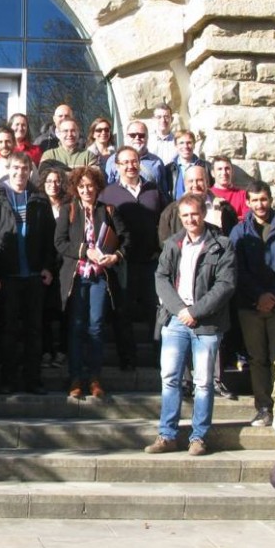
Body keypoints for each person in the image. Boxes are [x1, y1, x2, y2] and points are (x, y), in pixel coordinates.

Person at [145, 193, 236, 456]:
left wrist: (195, 311)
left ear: (203, 214)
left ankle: (198, 437)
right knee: (170, 379)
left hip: (207, 324)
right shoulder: (173, 244)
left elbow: (225, 285)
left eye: (194, 214)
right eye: (185, 215)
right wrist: (180, 310)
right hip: (175, 320)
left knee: (204, 382)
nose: (190, 219)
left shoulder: (222, 245)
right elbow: (161, 277)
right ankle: (167, 435)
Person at [229, 180, 275, 438]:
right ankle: (263, 407)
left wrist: (272, 295)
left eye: (264, 199)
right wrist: (258, 296)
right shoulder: (239, 232)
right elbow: (238, 269)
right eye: (255, 200)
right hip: (250, 304)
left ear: (270, 200)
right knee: (257, 358)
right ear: (247, 202)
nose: (260, 204)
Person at [0, 152, 55, 395]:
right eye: (15, 168)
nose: (20, 173)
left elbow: (49, 237)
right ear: (8, 169)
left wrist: (47, 266)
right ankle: (8, 380)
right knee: (9, 330)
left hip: (34, 275)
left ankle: (33, 380)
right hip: (8, 277)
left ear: (30, 171)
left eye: (25, 168)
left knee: (35, 330)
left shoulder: (39, 198)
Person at [55, 166, 128, 399]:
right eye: (82, 186)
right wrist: (85, 251)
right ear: (76, 188)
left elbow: (126, 240)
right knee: (76, 327)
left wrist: (115, 256)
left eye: (90, 186)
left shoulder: (108, 210)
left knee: (95, 326)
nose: (87, 190)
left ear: (97, 188)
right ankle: (75, 377)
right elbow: (60, 242)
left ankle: (95, 377)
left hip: (99, 278)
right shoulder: (68, 210)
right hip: (76, 277)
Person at [99, 146, 169, 351]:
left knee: (154, 311)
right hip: (122, 262)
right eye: (126, 162)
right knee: (123, 311)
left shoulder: (154, 191)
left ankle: (158, 357)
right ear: (117, 166)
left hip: (151, 260)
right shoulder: (108, 194)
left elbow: (164, 221)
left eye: (134, 161)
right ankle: (126, 358)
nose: (131, 166)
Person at [40, 166, 68, 369]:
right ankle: (47, 350)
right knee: (45, 312)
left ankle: (62, 351)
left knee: (65, 311)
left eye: (57, 181)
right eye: (49, 181)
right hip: (45, 266)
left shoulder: (70, 205)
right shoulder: (38, 205)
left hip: (66, 265)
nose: (53, 185)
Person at [105, 120, 168, 197]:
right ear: (126, 137)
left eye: (141, 135)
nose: (137, 138)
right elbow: (108, 189)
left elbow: (164, 192)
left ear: (147, 137)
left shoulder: (157, 162)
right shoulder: (113, 160)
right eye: (132, 135)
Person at [165, 130, 211, 202]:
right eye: (181, 143)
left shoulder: (206, 167)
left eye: (189, 143)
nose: (185, 146)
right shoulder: (169, 169)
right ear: (176, 146)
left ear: (194, 145)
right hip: (176, 208)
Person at [211, 155, 249, 220]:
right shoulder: (207, 194)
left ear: (232, 171)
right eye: (219, 169)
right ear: (212, 173)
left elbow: (247, 221)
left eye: (227, 168)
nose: (224, 173)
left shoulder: (243, 195)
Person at [148, 102, 177, 166]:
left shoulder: (178, 140)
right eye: (159, 117)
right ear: (153, 119)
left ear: (171, 119)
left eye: (166, 117)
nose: (163, 120)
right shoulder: (147, 141)